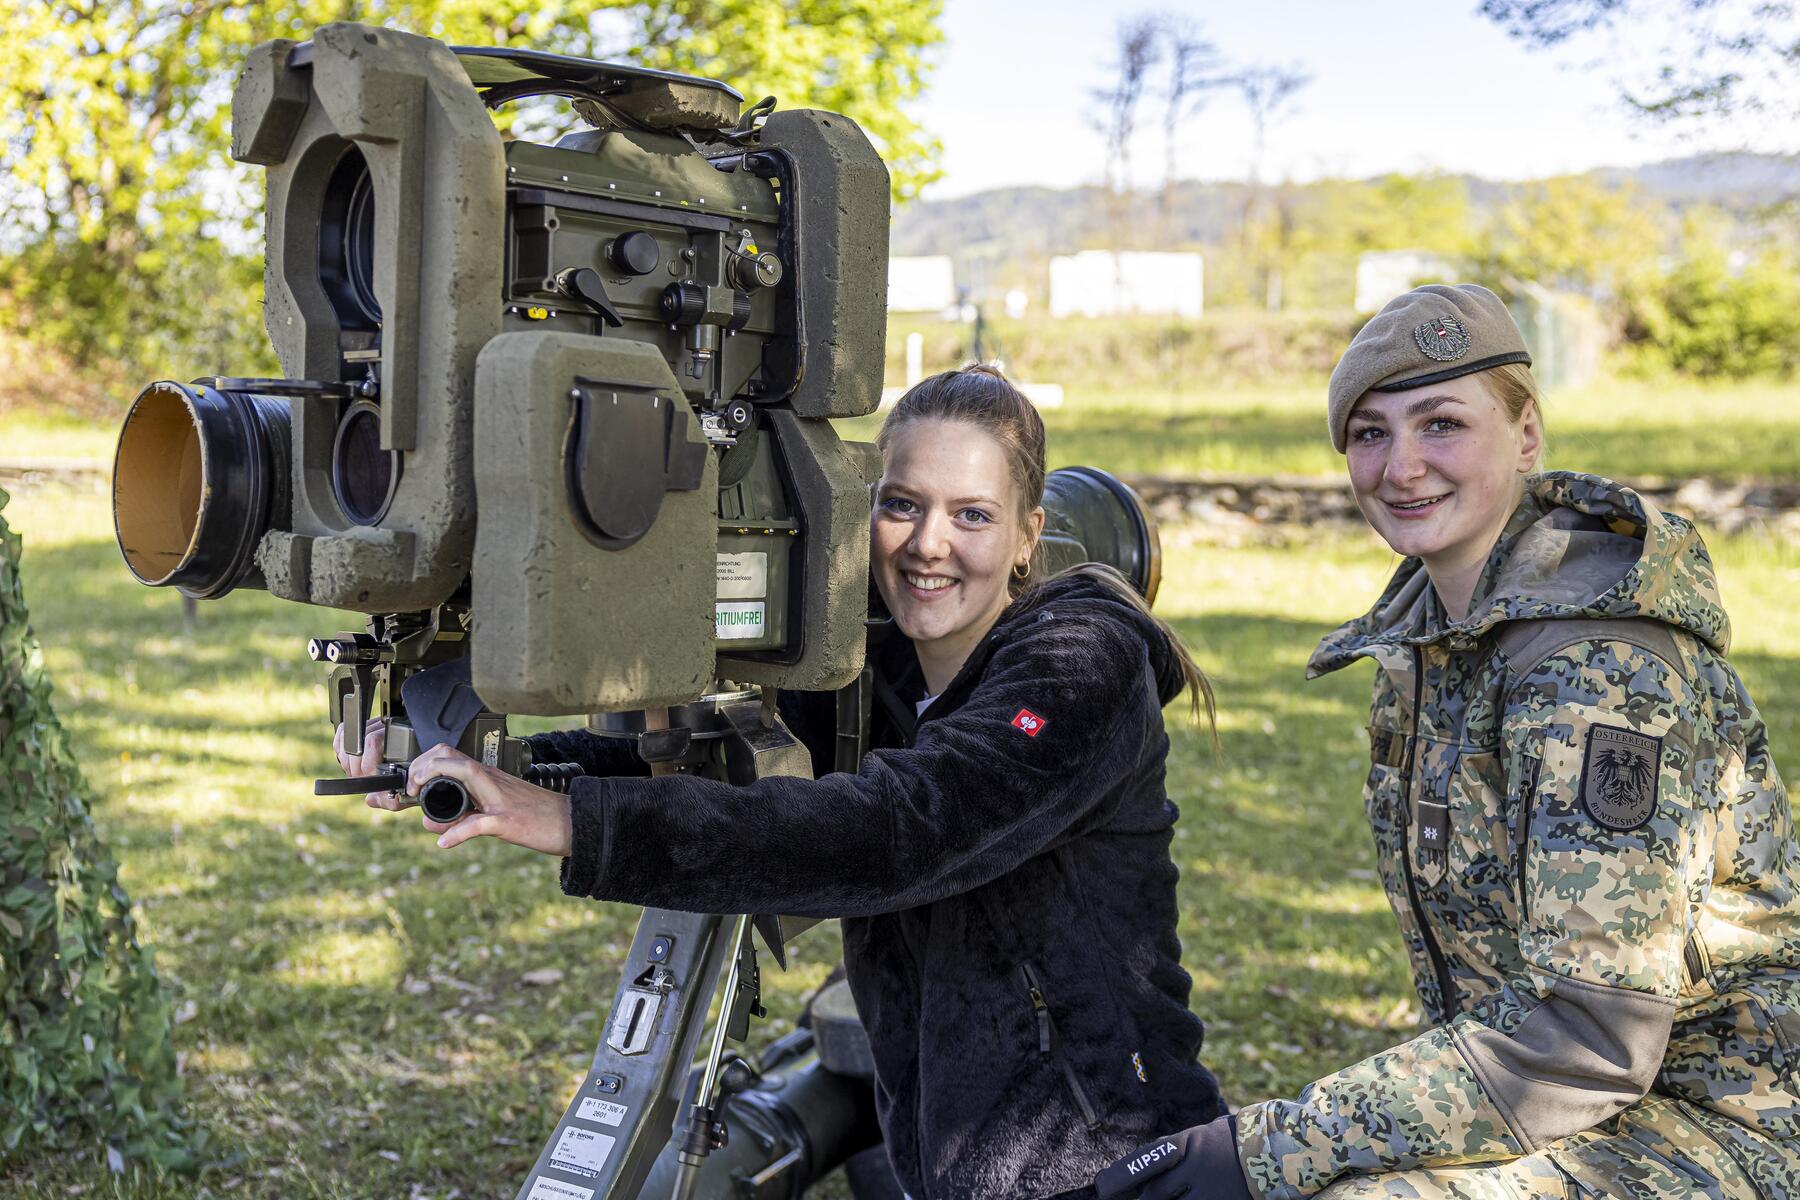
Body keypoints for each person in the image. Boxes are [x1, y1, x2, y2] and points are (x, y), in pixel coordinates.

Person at [338, 365, 1227, 1199]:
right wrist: (489, 768)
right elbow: (725, 761)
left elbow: (900, 829)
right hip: (946, 1152)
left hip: (1105, 1157)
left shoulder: (1084, 662)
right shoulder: (875, 664)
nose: (928, 546)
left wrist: (578, 824)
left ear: (1030, 534)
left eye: (972, 516)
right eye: (902, 505)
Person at [1095, 283, 1800, 1200]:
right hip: (1573, 1103)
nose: (1402, 467)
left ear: (1528, 435)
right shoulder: (1435, 647)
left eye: (1441, 424)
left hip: (1732, 1121)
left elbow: (1590, 1035)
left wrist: (1263, 1148)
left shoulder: (1597, 675)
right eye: (1370, 434)